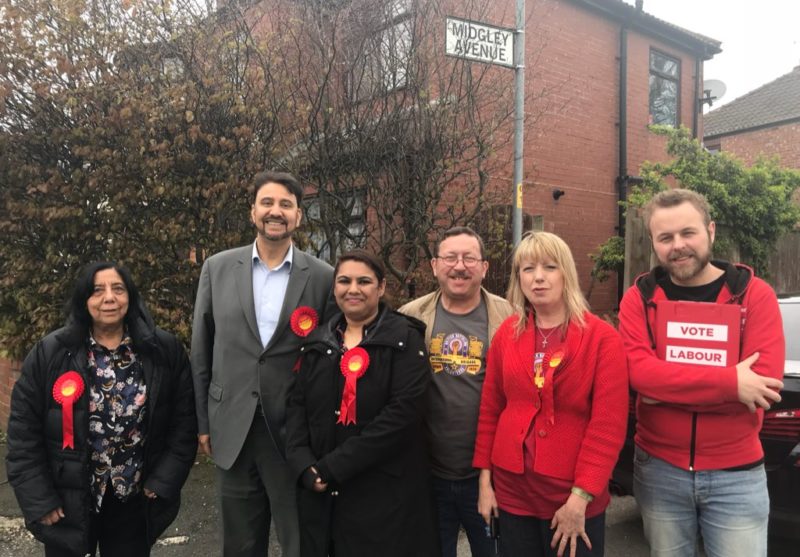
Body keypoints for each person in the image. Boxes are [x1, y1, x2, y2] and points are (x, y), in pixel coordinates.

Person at [617, 188, 785, 557]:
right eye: (665, 237)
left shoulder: (755, 296)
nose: (677, 245)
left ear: (710, 231)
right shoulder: (639, 298)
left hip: (737, 474)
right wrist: (729, 383)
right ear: (654, 244)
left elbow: (764, 385)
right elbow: (641, 376)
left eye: (687, 232)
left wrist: (668, 387)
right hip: (659, 470)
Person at [6, 261, 197, 557]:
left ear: (130, 296)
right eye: (98, 290)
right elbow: (23, 433)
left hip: (133, 499)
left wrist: (163, 480)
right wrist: (39, 499)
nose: (109, 298)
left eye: (118, 289)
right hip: (67, 499)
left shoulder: (163, 351)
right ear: (84, 300)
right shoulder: (50, 353)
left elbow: (183, 423)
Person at [191, 170, 334, 557]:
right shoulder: (217, 269)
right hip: (232, 426)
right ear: (252, 211)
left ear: (298, 216)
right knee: (239, 543)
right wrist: (203, 421)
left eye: (286, 204)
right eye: (267, 203)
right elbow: (201, 350)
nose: (276, 211)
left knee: (299, 540)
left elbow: (330, 359)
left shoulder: (323, 277)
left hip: (293, 431)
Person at [473, 231, 628, 557]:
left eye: (549, 267)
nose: (538, 278)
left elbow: (607, 427)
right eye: (528, 269)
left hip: (571, 495)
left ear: (566, 273)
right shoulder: (507, 334)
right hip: (513, 491)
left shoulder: (602, 339)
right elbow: (490, 410)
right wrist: (485, 484)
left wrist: (579, 499)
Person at [286, 250, 440, 557]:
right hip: (323, 496)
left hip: (384, 500)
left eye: (364, 281)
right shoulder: (318, 343)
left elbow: (402, 417)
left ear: (381, 288)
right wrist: (304, 467)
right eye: (344, 280)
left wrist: (332, 468)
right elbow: (295, 411)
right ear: (334, 288)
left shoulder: (404, 340)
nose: (353, 289)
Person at [399, 226, 513, 557]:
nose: (459, 266)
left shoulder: (510, 319)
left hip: (488, 477)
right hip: (428, 474)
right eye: (450, 257)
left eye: (469, 258)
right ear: (434, 265)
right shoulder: (410, 318)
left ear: (484, 267)